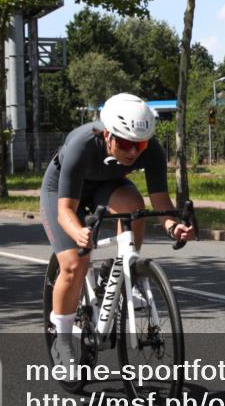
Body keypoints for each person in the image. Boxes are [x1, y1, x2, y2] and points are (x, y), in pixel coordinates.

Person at [40, 93, 194, 369]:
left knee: (135, 205)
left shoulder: (152, 150)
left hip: (105, 186)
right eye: (125, 144)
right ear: (107, 135)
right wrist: (77, 232)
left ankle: (124, 270)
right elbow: (65, 212)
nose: (133, 152)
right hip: (61, 191)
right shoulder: (82, 145)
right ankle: (61, 339)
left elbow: (160, 203)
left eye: (140, 145)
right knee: (75, 262)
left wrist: (173, 227)